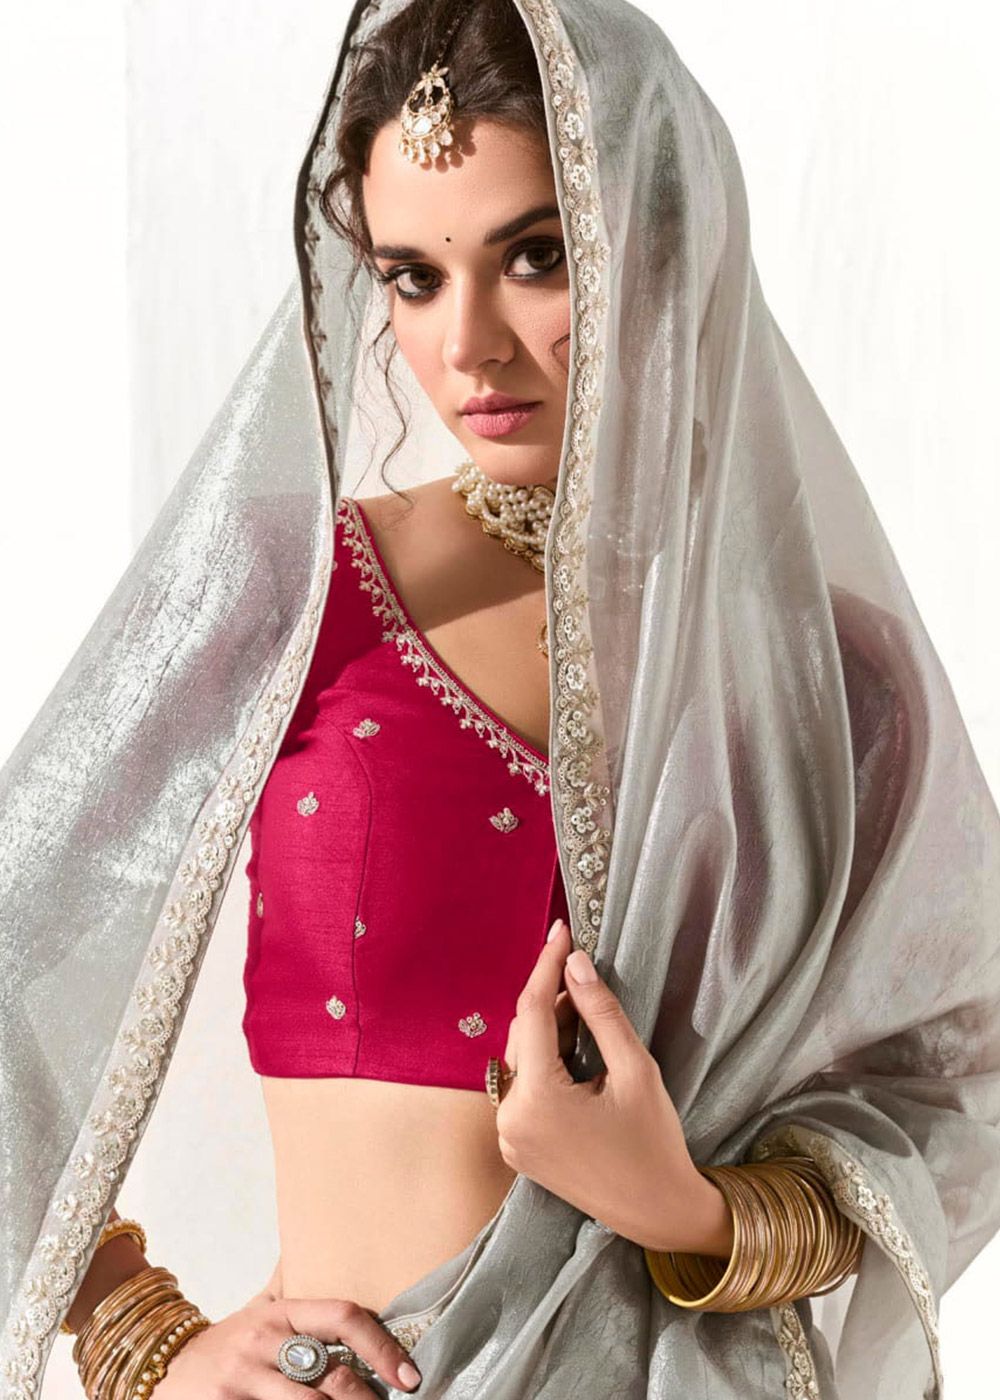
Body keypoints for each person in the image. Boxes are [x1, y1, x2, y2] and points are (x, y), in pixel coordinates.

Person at [3, 1, 999, 1397]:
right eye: (412, 277)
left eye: (536, 256)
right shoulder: (294, 594)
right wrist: (138, 1333)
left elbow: (958, 1080)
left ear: (665, 243)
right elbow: (19, 934)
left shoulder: (832, 681)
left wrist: (688, 1210)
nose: (467, 343)